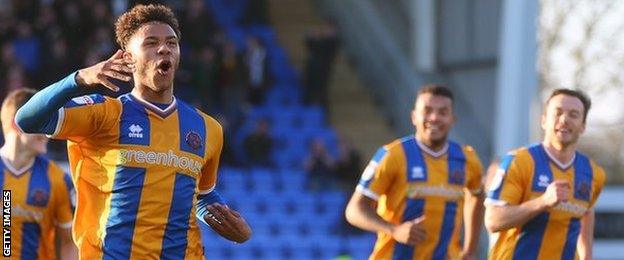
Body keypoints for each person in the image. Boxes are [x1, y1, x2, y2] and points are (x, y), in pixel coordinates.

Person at [14, 4, 251, 259]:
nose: (164, 48)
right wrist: (79, 79)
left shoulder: (208, 129)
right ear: (128, 57)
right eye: (151, 43)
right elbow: (28, 119)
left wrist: (233, 227)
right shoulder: (105, 113)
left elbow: (202, 195)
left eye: (172, 43)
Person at [345, 84, 484, 259]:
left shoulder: (467, 159)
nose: (434, 118)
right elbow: (354, 210)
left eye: (443, 112)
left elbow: (477, 195)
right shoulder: (392, 155)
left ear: (452, 119)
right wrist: (394, 230)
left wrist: (470, 250)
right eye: (427, 111)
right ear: (414, 117)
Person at [484, 89, 606, 259]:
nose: (564, 119)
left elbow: (586, 211)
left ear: (583, 126)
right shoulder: (519, 161)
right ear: (543, 121)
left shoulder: (593, 173)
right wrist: (543, 201)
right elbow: (493, 220)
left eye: (573, 114)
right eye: (557, 113)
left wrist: (586, 256)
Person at [0, 88, 77, 259]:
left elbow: (68, 242)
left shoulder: (58, 179)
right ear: (17, 123)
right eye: (41, 123)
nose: (47, 134)